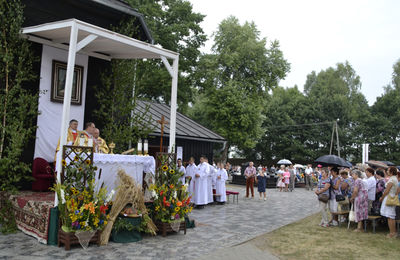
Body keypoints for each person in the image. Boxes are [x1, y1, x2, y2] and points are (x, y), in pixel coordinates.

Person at [379, 166, 399, 238]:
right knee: (391, 216)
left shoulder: (391, 180)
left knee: (390, 216)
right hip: (392, 196)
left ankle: (392, 232)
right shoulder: (394, 179)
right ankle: (393, 232)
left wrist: (382, 197)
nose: (387, 171)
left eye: (388, 170)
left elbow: (386, 191)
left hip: (389, 198)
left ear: (391, 172)